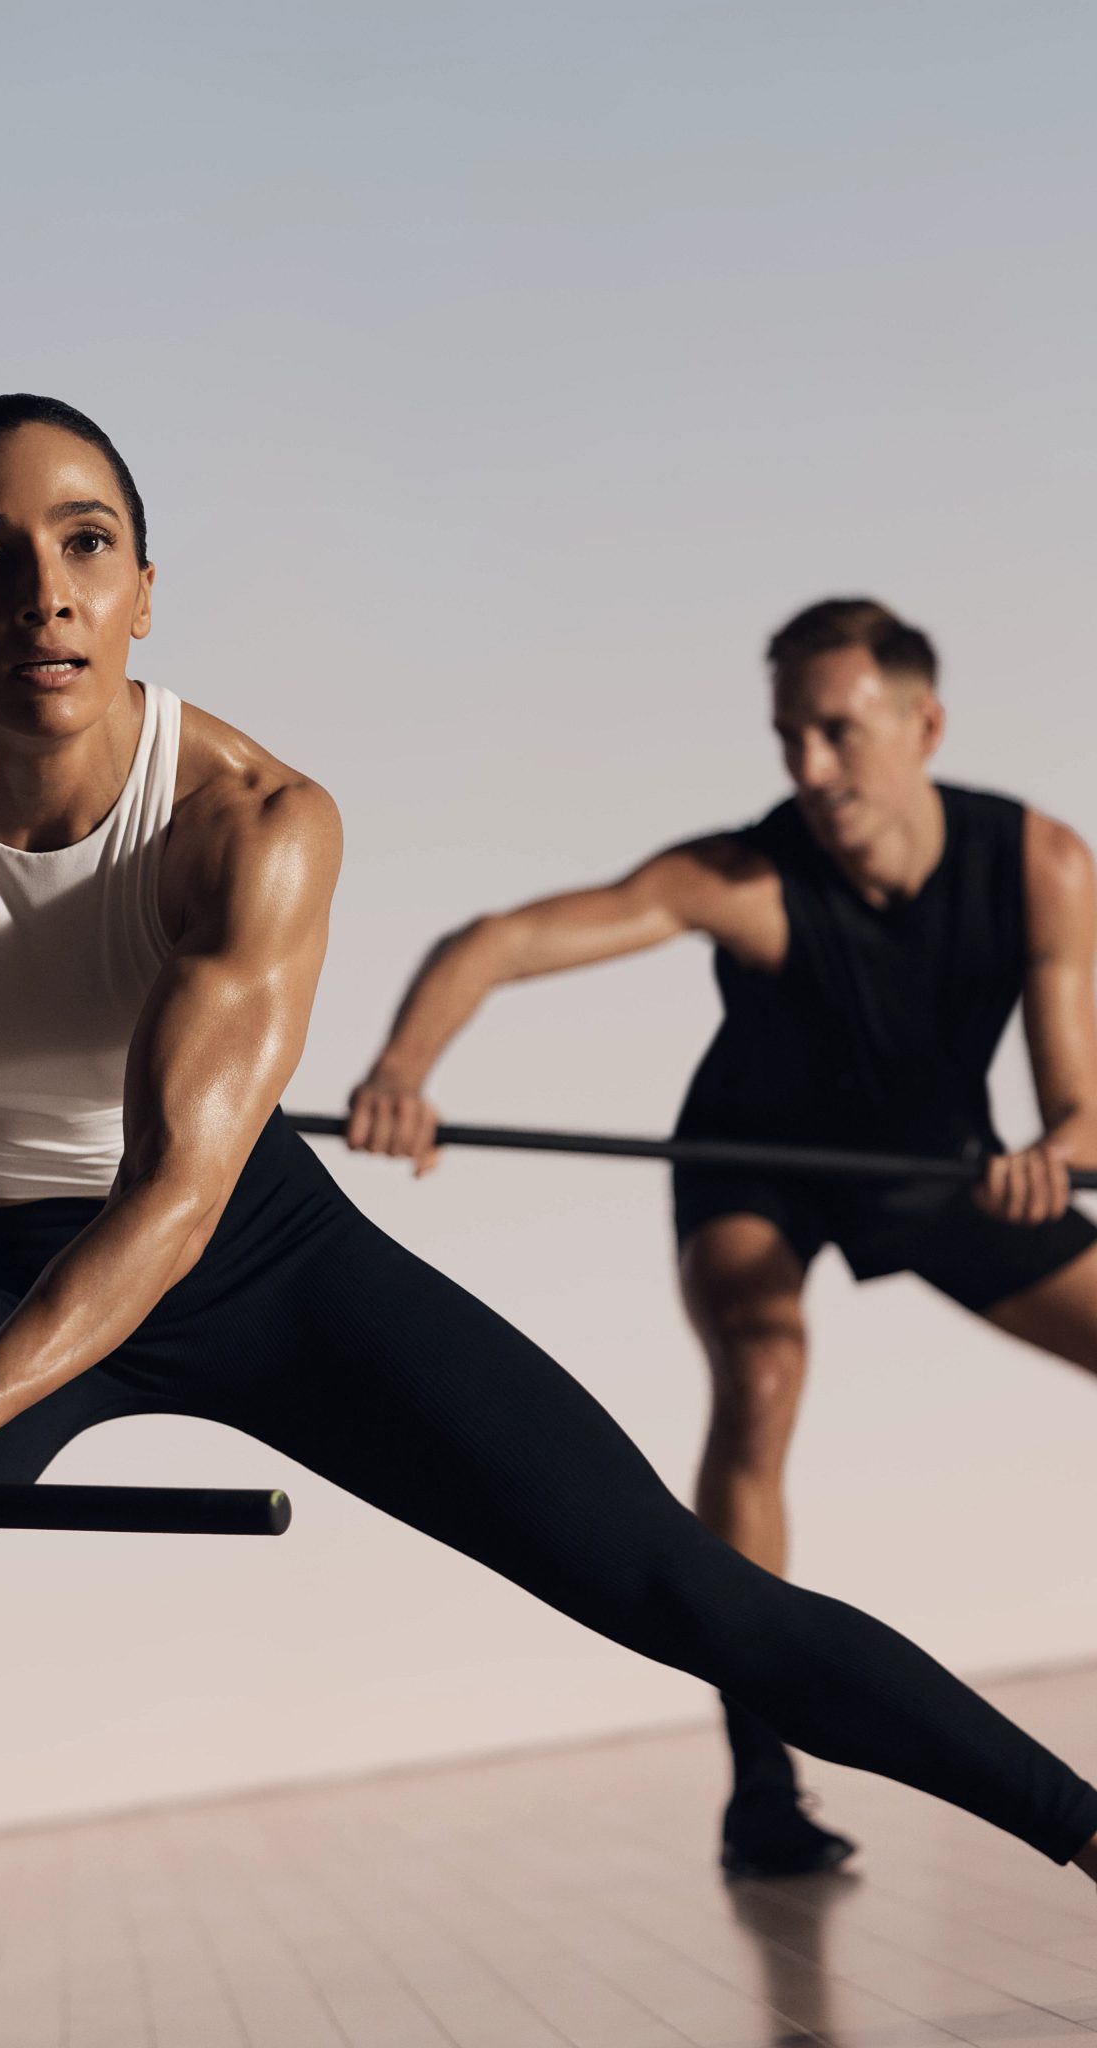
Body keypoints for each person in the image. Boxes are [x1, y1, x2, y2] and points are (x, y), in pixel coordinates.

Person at [0, 415, 1097, 2048]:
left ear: (145, 590)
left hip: (250, 1249)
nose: (42, 597)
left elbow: (167, 1197)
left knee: (676, 1582)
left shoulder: (249, 820)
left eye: (86, 545)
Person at [345, 596, 1097, 1878]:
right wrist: (403, 1069)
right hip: (755, 1167)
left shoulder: (1040, 863)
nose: (808, 769)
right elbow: (501, 941)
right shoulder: (747, 881)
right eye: (787, 736)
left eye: (837, 731)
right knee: (759, 1374)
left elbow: (1077, 1108)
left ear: (924, 723)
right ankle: (763, 1783)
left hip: (933, 1167)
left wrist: (1056, 1162)